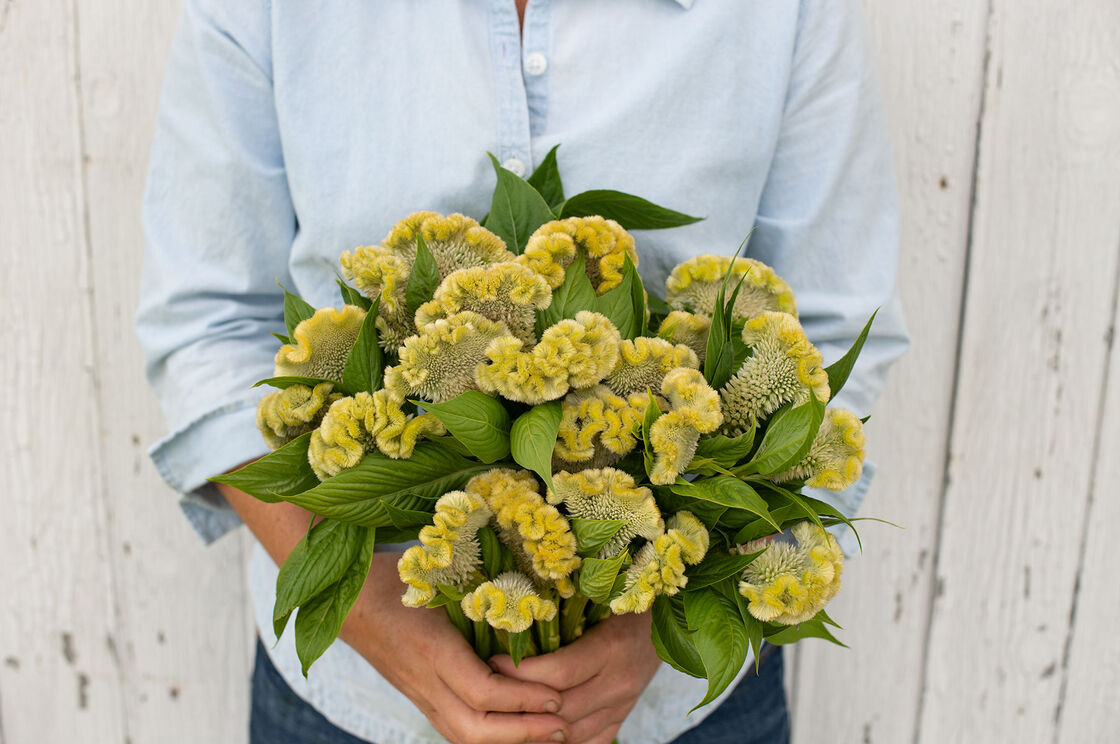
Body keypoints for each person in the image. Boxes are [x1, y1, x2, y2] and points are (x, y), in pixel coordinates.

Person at [135, 1, 909, 742]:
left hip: (676, 704)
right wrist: (375, 619)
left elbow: (833, 326)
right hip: (357, 699)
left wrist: (651, 616)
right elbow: (208, 325)